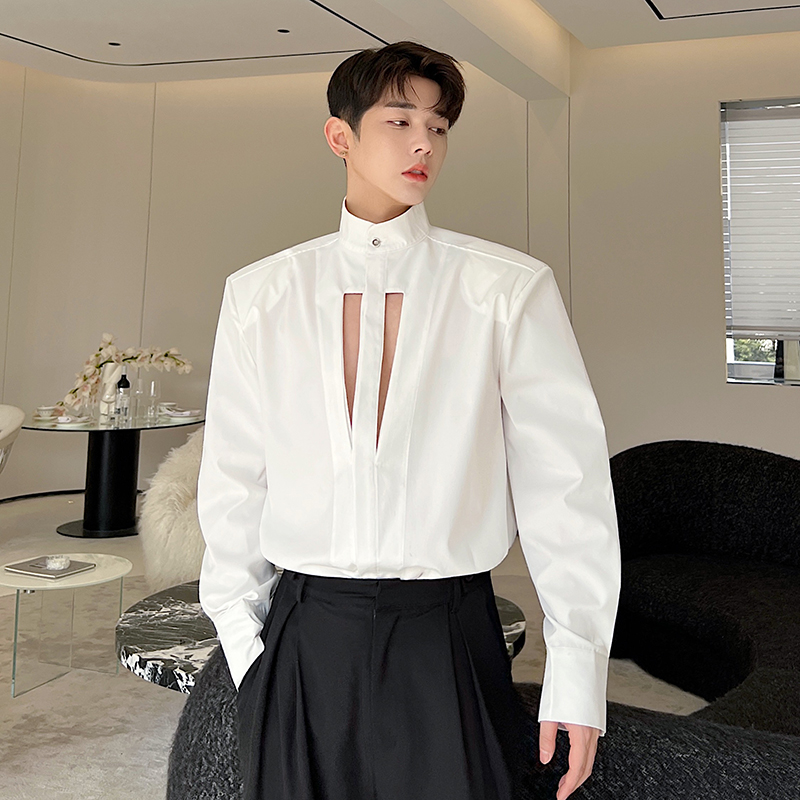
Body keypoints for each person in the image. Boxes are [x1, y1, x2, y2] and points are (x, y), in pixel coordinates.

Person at [197, 40, 621, 800]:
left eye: (439, 126)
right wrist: (241, 637)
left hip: (447, 629)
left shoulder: (506, 290)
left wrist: (578, 668)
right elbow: (235, 472)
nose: (424, 142)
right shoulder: (260, 294)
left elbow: (565, 485)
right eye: (399, 120)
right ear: (340, 136)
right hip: (303, 632)